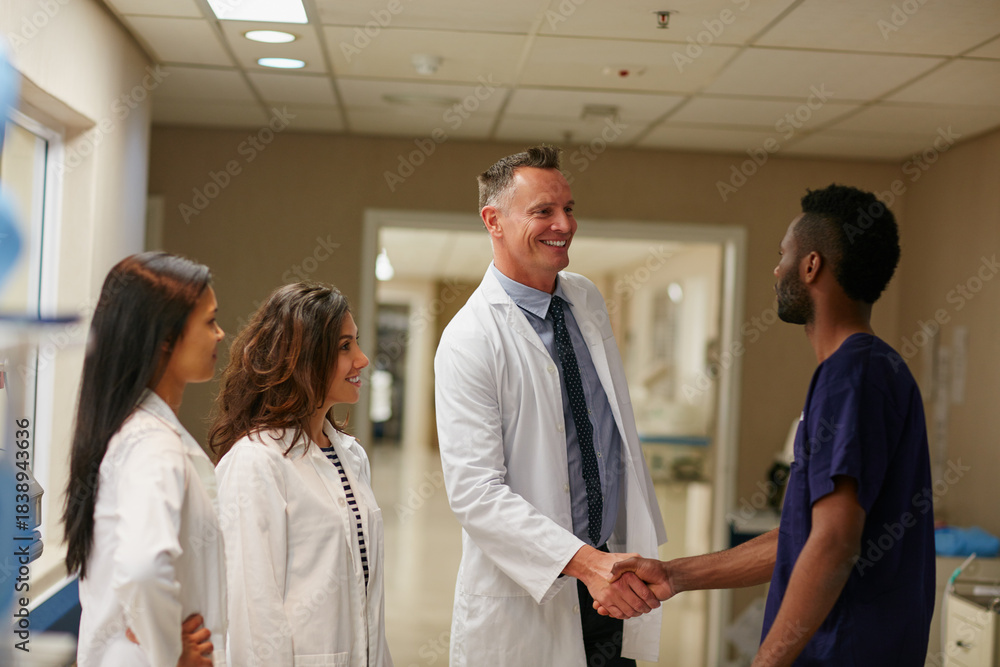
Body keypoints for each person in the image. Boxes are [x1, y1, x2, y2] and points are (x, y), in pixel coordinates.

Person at [604, 184, 935, 666]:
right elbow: (802, 538)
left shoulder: (852, 376)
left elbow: (834, 543)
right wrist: (675, 574)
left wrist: (766, 662)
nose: (777, 270)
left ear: (811, 265)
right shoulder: (870, 369)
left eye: (784, 255)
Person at [434, 146, 667, 667]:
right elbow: (475, 494)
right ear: (493, 221)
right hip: (535, 585)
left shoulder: (585, 299)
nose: (565, 224)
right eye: (543, 211)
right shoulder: (469, 338)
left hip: (612, 577)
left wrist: (603, 562)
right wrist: (583, 563)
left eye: (568, 208)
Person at [210, 282, 392, 667]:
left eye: (356, 343)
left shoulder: (351, 456)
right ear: (303, 358)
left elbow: (366, 601)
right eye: (344, 347)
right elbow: (253, 613)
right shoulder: (256, 462)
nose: (362, 359)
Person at [64, 252, 227, 667]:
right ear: (165, 339)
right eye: (210, 322)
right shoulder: (152, 444)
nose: (220, 334)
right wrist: (171, 652)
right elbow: (142, 567)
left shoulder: (137, 433)